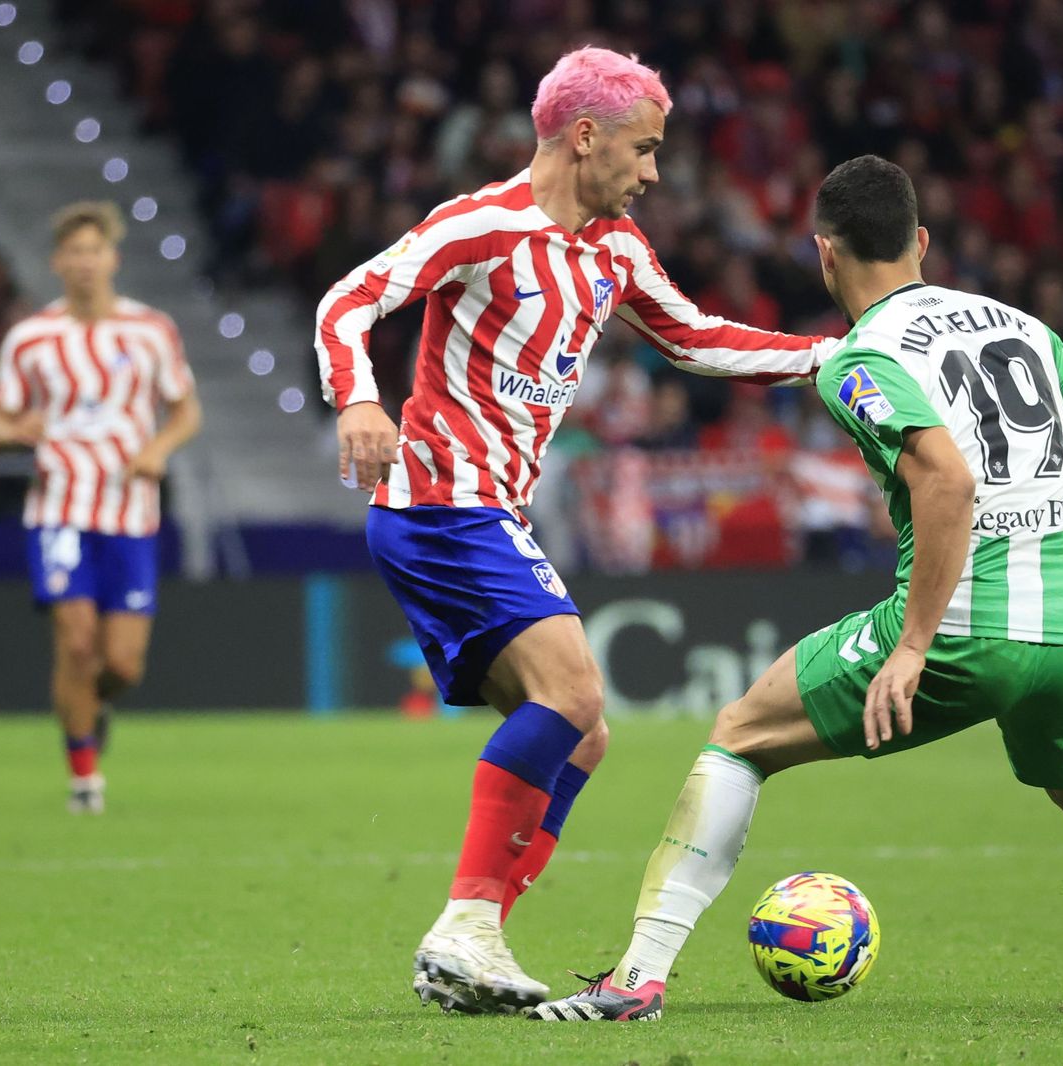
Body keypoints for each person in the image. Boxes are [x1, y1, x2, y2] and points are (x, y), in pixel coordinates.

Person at [529, 156, 1063, 1022]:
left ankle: (639, 978)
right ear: (921, 241)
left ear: (825, 255)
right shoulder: (1026, 328)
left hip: (964, 625)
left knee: (739, 734)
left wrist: (915, 644)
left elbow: (947, 482)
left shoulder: (864, 356)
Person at [313, 47, 832, 1014]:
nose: (652, 171)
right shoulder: (484, 225)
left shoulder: (615, 249)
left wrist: (836, 355)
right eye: (643, 148)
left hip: (487, 512)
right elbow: (349, 299)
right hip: (440, 503)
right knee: (574, 688)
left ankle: (473, 942)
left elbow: (698, 338)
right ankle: (466, 921)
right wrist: (359, 401)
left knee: (584, 735)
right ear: (585, 136)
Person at [0, 201, 202, 814]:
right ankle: (84, 777)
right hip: (58, 509)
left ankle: (97, 706)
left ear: (113, 258)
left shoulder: (150, 331)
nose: (83, 262)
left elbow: (185, 409)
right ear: (58, 262)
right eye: (72, 252)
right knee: (76, 645)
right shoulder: (31, 337)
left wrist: (158, 447)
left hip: (131, 512)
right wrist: (12, 427)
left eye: (93, 250)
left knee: (122, 664)